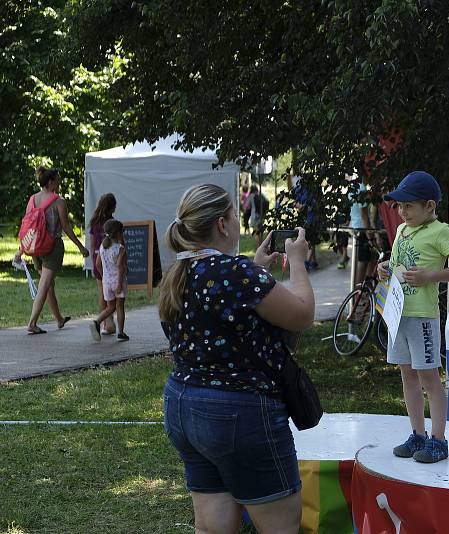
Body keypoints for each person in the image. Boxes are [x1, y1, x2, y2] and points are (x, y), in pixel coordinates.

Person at [159, 184, 314, 533]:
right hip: (238, 411)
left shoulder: (178, 274)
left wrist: (256, 269)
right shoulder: (236, 274)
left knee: (212, 528)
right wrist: (299, 263)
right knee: (281, 527)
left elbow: (207, 320)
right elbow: (302, 315)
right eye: (233, 215)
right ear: (223, 224)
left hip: (184, 406)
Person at [377, 171, 449, 464]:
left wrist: (431, 276)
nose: (402, 212)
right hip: (399, 314)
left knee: (429, 378)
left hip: (423, 317)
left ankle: (438, 439)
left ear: (429, 206)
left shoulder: (440, 231)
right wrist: (384, 269)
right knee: (407, 376)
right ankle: (417, 433)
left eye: (409, 206)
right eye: (400, 207)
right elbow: (396, 265)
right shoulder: (403, 231)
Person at [14, 166, 89, 334]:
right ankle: (32, 323)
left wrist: (22, 249)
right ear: (51, 182)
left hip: (35, 249)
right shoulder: (58, 201)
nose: (60, 182)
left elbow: (28, 229)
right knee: (44, 285)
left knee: (48, 285)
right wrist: (81, 247)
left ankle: (59, 319)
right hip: (52, 248)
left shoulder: (32, 199)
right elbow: (66, 228)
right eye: (58, 179)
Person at [90, 219, 129, 342]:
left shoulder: (102, 247)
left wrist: (104, 276)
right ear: (118, 233)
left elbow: (97, 264)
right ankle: (121, 333)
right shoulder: (119, 249)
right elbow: (120, 267)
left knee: (110, 307)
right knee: (120, 307)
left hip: (106, 282)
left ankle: (97, 322)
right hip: (118, 282)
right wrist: (118, 283)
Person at [89, 193, 117, 335]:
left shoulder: (95, 222)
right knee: (112, 293)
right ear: (112, 208)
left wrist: (93, 260)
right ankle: (106, 322)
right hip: (110, 261)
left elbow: (92, 245)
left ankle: (105, 323)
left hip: (97, 260)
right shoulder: (113, 223)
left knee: (102, 292)